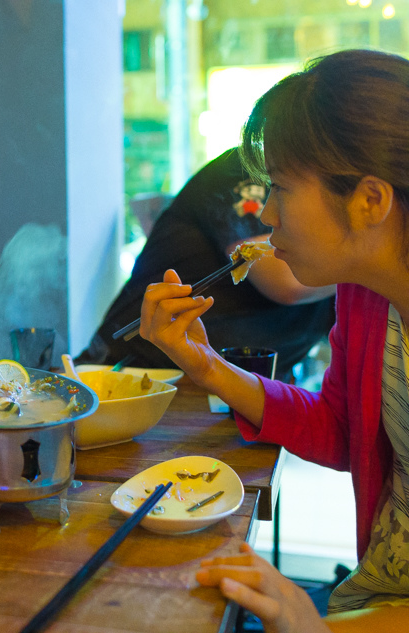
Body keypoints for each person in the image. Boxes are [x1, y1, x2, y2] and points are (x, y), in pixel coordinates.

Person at [138, 49, 409, 630]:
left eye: (281, 188)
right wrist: (205, 364)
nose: (265, 213)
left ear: (369, 200)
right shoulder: (367, 297)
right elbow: (340, 428)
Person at [77, 147, 336, 382]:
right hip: (142, 372)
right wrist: (359, 264)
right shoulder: (249, 165)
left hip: (243, 382)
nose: (270, 214)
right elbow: (285, 281)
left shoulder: (338, 210)